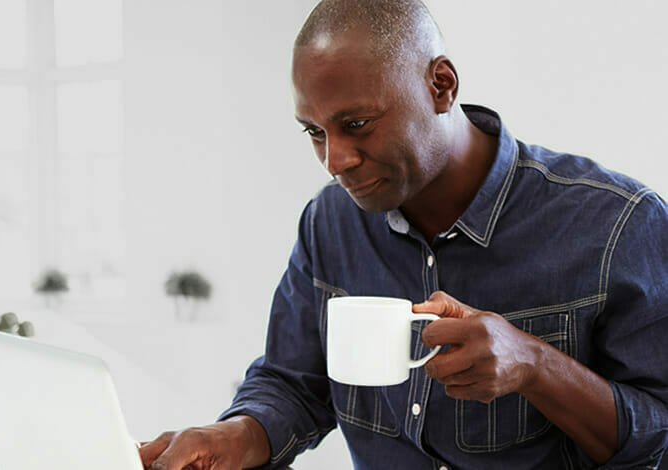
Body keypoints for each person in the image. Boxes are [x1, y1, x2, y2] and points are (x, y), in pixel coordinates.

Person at [137, 0, 668, 469]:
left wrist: (536, 365)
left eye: (357, 124)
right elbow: (293, 381)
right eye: (315, 132)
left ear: (441, 86)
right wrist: (236, 434)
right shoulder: (330, 223)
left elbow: (660, 435)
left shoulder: (620, 223)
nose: (335, 161)